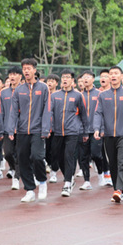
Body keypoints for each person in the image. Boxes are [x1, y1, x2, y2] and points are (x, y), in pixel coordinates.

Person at [5, 58, 51, 203]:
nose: (26, 71)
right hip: (22, 130)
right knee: (23, 159)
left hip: (38, 130)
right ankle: (29, 190)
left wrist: (45, 129)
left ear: (34, 70)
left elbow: (47, 110)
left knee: (37, 157)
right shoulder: (19, 90)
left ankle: (42, 182)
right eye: (24, 68)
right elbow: (13, 111)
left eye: (29, 68)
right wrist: (11, 129)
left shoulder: (43, 88)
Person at [93, 65, 123, 203]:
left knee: (121, 162)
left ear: (121, 76)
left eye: (116, 73)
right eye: (111, 73)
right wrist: (97, 128)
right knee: (112, 163)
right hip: (108, 134)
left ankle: (119, 190)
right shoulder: (102, 95)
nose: (113, 76)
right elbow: (98, 113)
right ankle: (117, 189)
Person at [49, 69, 88, 197]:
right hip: (57, 132)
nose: (65, 79)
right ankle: (68, 176)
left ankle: (67, 183)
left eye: (67, 77)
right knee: (57, 156)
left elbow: (83, 114)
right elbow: (49, 113)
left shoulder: (78, 96)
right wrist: (48, 127)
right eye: (63, 77)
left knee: (69, 156)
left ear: (72, 80)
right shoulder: (54, 96)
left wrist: (85, 132)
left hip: (72, 132)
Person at [79, 71, 110, 187]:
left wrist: (102, 129)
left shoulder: (99, 94)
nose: (85, 79)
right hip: (82, 130)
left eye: (88, 77)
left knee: (96, 154)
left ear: (93, 79)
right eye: (84, 77)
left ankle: (101, 174)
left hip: (96, 130)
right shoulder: (79, 95)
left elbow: (104, 113)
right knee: (83, 157)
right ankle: (87, 181)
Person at [0, 66, 23, 190]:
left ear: (20, 76)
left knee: (19, 154)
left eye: (15, 74)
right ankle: (15, 169)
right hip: (7, 128)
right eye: (10, 74)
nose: (12, 77)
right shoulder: (3, 93)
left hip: (22, 129)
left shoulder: (25, 91)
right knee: (8, 153)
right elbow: (1, 112)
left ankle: (16, 178)